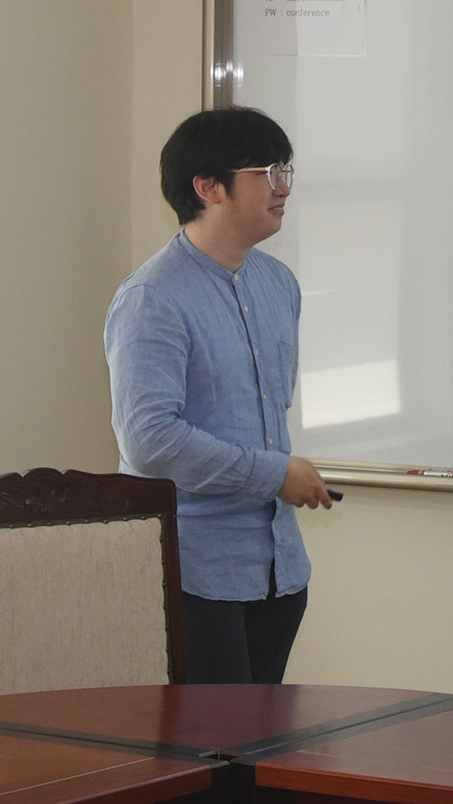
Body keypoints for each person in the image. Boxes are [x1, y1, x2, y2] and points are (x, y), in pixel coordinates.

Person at [106, 106, 334, 685]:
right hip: (192, 574)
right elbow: (151, 441)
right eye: (268, 173)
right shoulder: (152, 298)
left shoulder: (279, 284)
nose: (284, 188)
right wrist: (273, 473)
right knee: (210, 739)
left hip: (279, 571)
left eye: (286, 171)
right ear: (208, 187)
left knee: (264, 736)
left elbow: (268, 413)